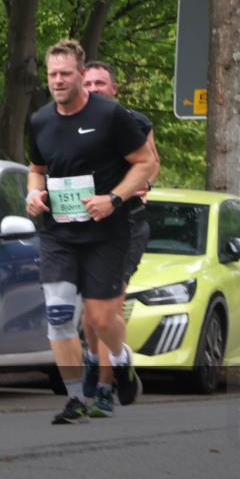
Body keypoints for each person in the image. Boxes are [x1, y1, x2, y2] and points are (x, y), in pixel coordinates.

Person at [26, 40, 155, 425]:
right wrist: (33, 192)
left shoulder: (111, 115)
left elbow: (145, 164)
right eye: (52, 74)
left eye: (66, 74)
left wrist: (113, 198)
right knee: (60, 313)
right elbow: (36, 167)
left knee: (100, 318)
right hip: (59, 233)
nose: (58, 81)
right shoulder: (40, 121)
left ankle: (120, 360)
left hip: (105, 230)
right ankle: (75, 398)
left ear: (81, 75)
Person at [80, 60, 161, 418]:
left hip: (126, 226)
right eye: (89, 83)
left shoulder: (135, 123)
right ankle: (103, 359)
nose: (94, 88)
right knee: (89, 313)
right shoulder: (69, 124)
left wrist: (142, 185)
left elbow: (151, 162)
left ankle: (103, 386)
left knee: (107, 308)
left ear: (114, 89)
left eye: (101, 82)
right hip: (85, 226)